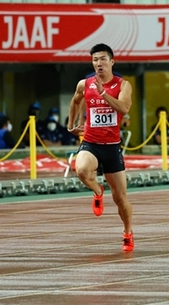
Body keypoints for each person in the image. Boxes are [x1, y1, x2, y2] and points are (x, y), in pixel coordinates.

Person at [67, 43, 134, 252]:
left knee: (121, 198)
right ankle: (97, 190)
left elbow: (124, 108)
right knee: (81, 169)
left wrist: (104, 93)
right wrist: (71, 124)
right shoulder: (84, 84)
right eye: (95, 60)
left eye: (103, 59)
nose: (99, 64)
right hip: (91, 142)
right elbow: (76, 100)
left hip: (113, 147)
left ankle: (128, 232)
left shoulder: (123, 85)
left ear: (112, 62)